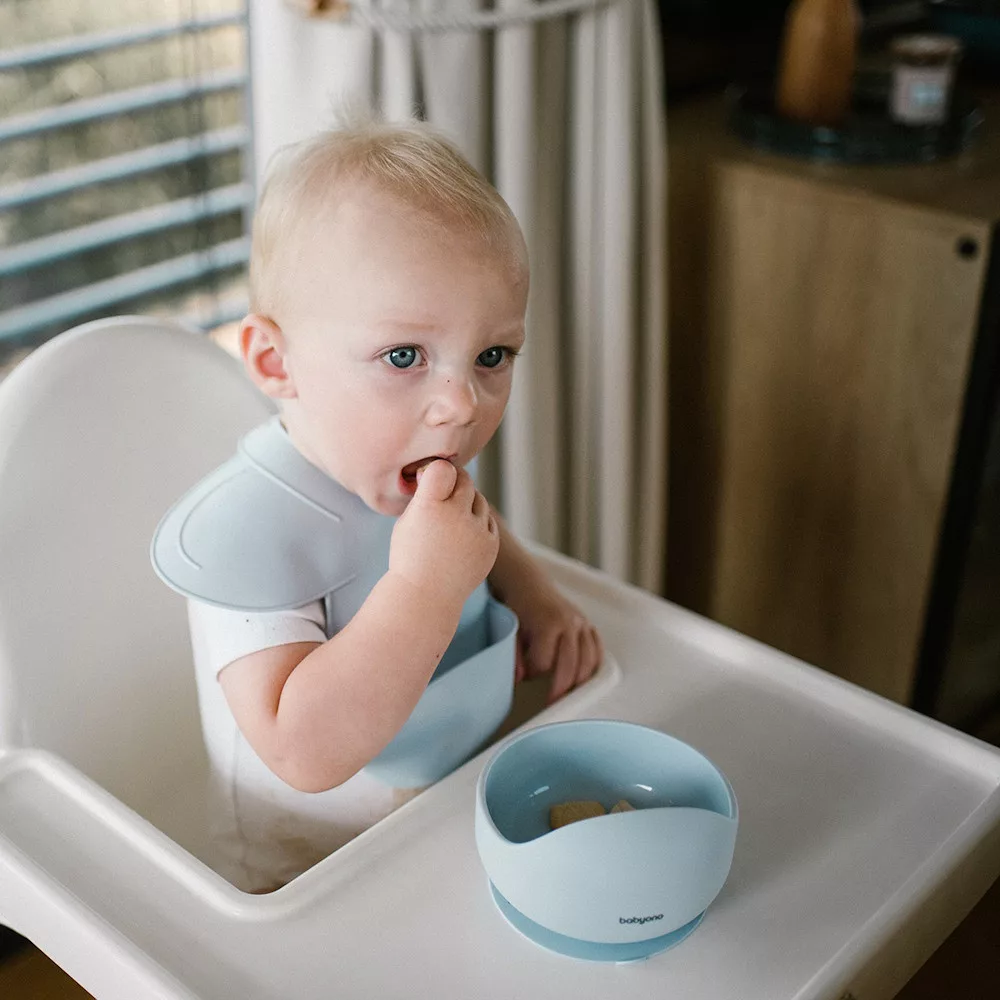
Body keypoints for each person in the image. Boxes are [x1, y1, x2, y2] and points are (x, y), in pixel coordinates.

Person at [152, 115, 603, 892]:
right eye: (403, 355)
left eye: (492, 355)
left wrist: (533, 595)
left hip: (446, 819)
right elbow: (302, 750)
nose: (461, 403)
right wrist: (425, 589)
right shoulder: (246, 541)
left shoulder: (405, 458)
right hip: (309, 877)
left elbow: (477, 529)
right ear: (276, 362)